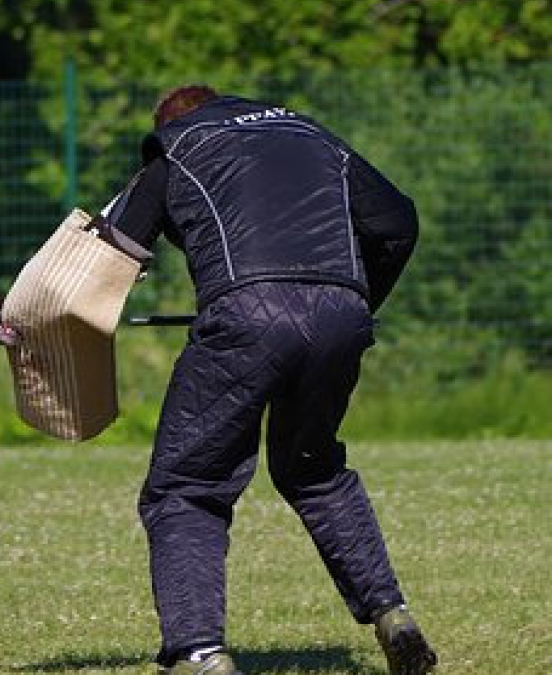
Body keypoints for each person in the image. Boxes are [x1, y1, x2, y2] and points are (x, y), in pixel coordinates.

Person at [95, 85, 437, 675]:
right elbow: (397, 222)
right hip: (341, 313)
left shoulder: (175, 149)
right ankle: (392, 614)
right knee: (314, 469)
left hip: (245, 315)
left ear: (169, 122)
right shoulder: (315, 136)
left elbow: (107, 249)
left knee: (186, 486)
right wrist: (355, 298)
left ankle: (199, 652)